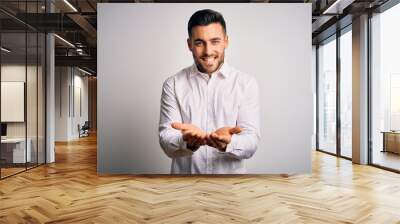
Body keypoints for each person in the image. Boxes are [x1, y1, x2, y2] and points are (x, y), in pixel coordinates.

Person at [158, 9, 260, 174]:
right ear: (189, 44)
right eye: (199, 42)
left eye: (215, 41)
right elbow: (165, 139)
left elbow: (252, 142)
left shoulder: (246, 84)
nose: (207, 51)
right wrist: (186, 141)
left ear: (226, 41)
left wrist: (229, 142)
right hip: (184, 188)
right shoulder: (173, 84)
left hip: (230, 189)